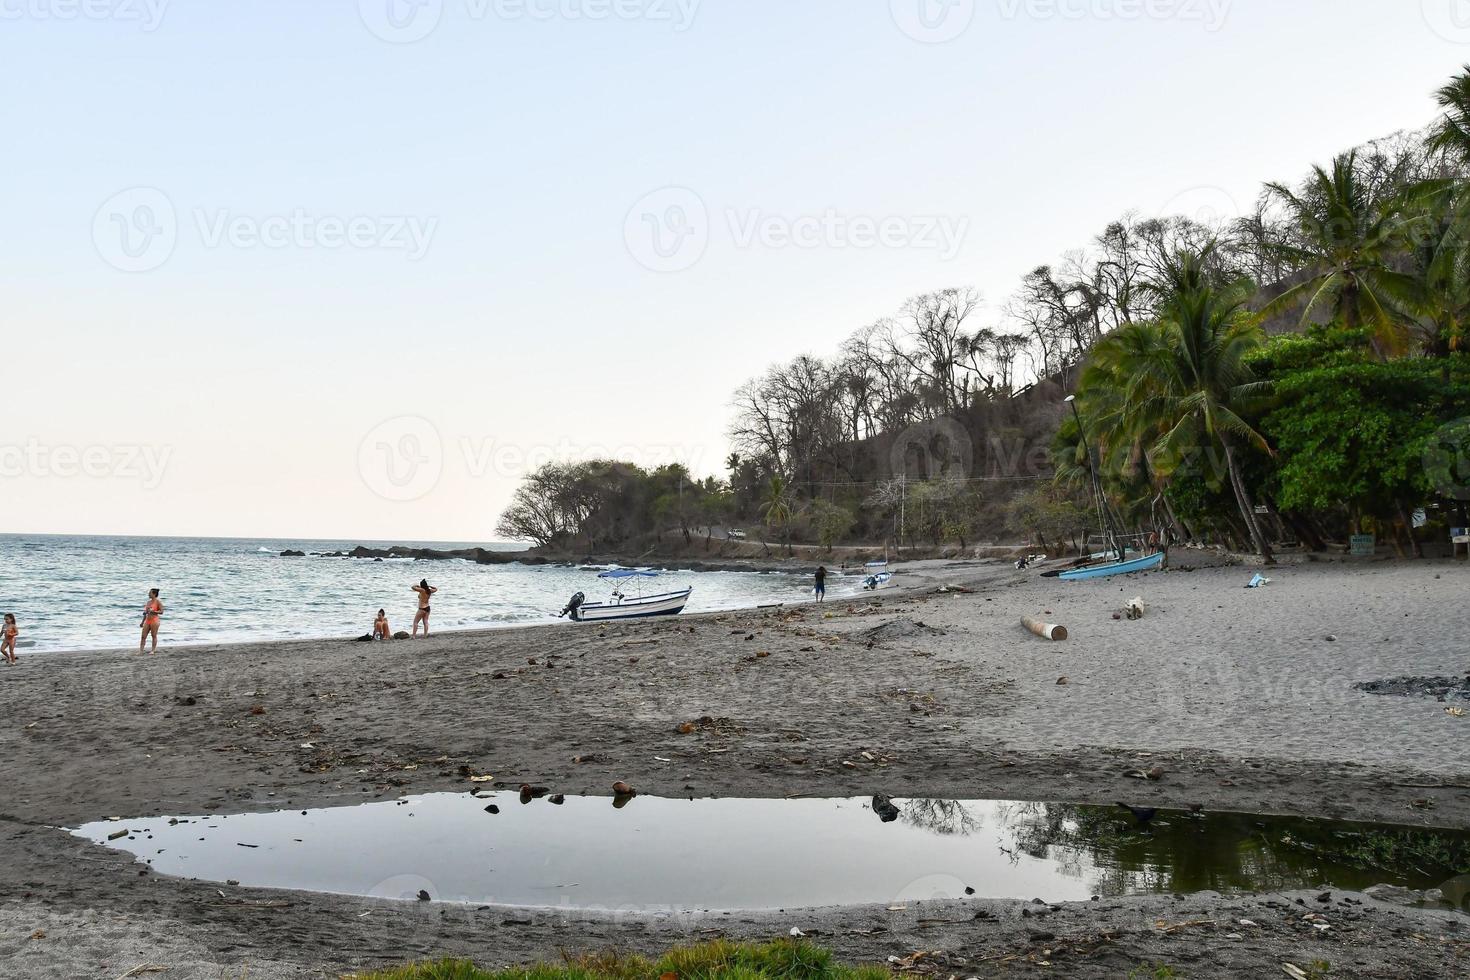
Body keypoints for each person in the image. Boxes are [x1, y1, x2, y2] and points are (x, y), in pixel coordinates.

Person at [139, 588, 163, 654]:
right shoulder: (148, 602)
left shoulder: (158, 602)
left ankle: (153, 650)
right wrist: (142, 622)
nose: (148, 594)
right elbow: (146, 612)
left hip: (155, 621)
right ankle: (141, 651)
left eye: (150, 593)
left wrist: (154, 611)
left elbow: (161, 611)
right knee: (143, 636)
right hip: (147, 620)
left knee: (153, 635)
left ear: (154, 594)